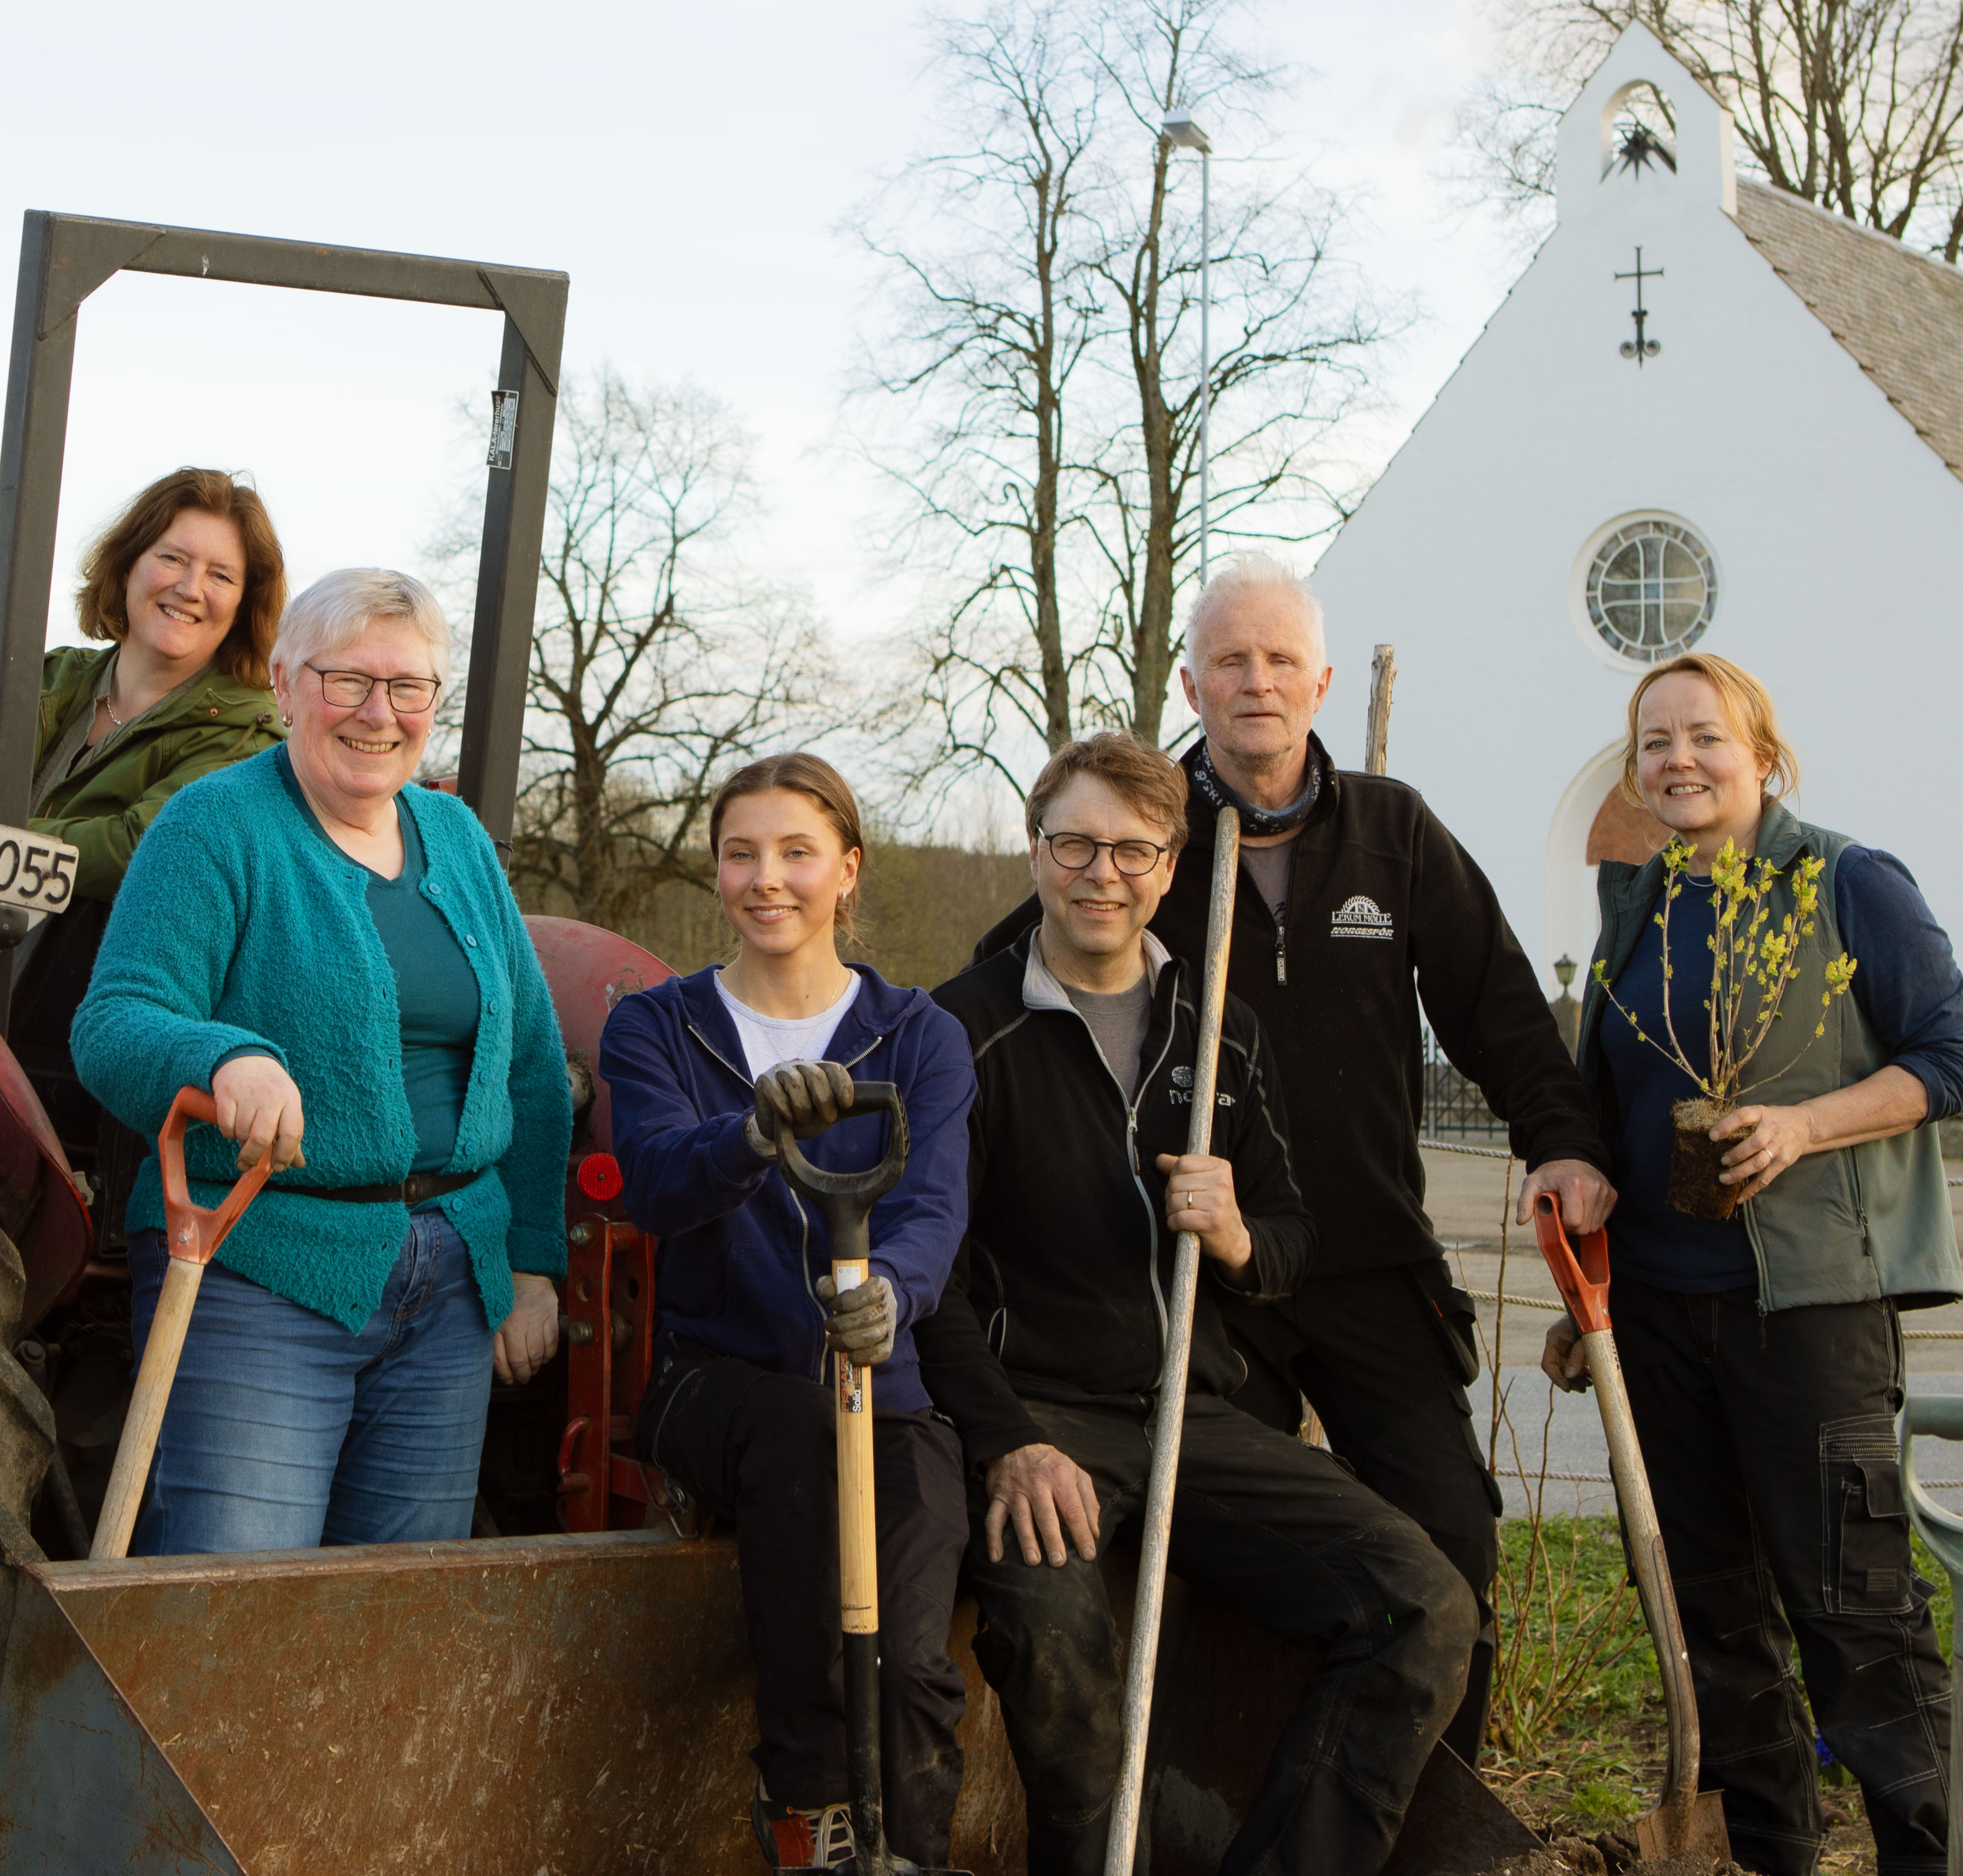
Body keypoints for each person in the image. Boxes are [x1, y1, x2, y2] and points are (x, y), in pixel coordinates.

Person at [968, 555, 1613, 1765]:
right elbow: (1009, 982)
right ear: (1191, 680)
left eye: (1276, 660)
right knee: (1229, 1559)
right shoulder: (1149, 837)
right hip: (1206, 1283)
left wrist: (1563, 1143)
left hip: (1367, 1256)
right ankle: (1235, 1802)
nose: (1253, 681)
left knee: (1448, 1547)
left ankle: (1430, 1825)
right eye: (1228, 659)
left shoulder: (1392, 831)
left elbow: (1500, 1014)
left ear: (1318, 681)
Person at [921, 732, 1477, 1876]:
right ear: (1036, 852)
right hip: (1040, 1414)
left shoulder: (1216, 1025)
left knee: (1421, 1603)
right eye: (1074, 842)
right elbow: (927, 1281)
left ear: (1172, 865)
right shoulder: (962, 1031)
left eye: (1133, 848)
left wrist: (1231, 1233)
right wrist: (1008, 1441)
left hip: (1189, 1414)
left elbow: (1290, 1245)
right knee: (1064, 1651)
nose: (1101, 871)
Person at [1545, 652, 1963, 1875]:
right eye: (1652, 743)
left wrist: (1801, 1124)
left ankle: (1928, 1855)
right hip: (1659, 1319)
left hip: (1809, 1312)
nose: (1676, 760)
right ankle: (1773, 1856)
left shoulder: (1847, 883)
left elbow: (1949, 1057)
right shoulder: (1637, 903)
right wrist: (1583, 1289)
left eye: (1703, 737)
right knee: (1710, 1619)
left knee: (1854, 1619)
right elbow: (1602, 1111)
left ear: (1762, 757)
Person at [71, 567, 569, 1554]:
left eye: (408, 688)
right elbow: (117, 1018)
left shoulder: (457, 837)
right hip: (260, 1271)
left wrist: (531, 1264)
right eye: (347, 681)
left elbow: (533, 1065)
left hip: (452, 1283)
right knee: (237, 1606)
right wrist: (225, 1062)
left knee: (393, 1612)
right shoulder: (216, 827)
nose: (378, 713)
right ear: (288, 686)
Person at [599, 753, 977, 1872]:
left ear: (847, 871)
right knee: (797, 1433)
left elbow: (935, 1208)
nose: (768, 879)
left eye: (797, 852)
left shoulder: (916, 1036)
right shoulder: (660, 1026)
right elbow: (658, 1180)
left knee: (908, 1660)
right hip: (716, 1381)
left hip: (886, 1384)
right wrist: (753, 1133)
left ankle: (909, 1852)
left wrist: (889, 1295)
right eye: (742, 853)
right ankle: (810, 1815)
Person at [0, 468, 285, 1192]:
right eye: (172, 557)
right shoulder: (48, 680)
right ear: (128, 565)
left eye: (220, 573)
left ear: (244, 603)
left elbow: (138, 846)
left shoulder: (246, 734)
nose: (190, 586)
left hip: (70, 1031)